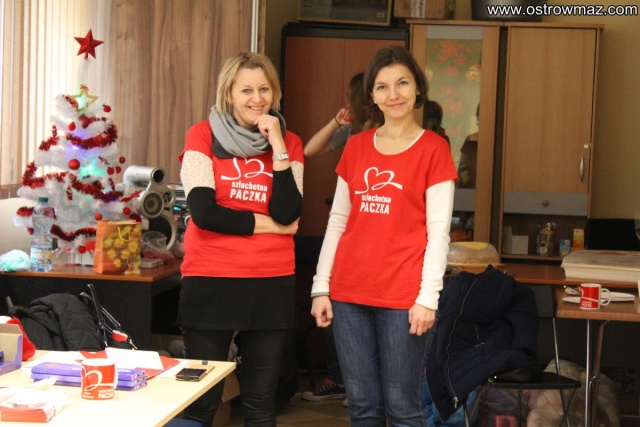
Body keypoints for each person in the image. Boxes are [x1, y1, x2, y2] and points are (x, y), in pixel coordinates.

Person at [310, 45, 457, 426]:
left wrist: (428, 297)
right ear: (372, 95)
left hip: (404, 298)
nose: (394, 94)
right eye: (382, 86)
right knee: (362, 407)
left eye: (402, 83)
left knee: (402, 408)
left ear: (417, 88)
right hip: (348, 294)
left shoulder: (434, 149)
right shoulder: (356, 147)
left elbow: (438, 232)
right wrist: (321, 286)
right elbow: (338, 221)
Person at [177, 51, 304, 427]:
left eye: (264, 89)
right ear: (229, 94)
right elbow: (205, 213)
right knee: (202, 400)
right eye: (246, 90)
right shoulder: (202, 135)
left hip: (271, 281)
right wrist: (271, 227)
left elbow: (288, 212)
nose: (256, 98)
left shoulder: (290, 142)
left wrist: (277, 142)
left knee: (261, 402)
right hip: (210, 277)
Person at [301, 71, 383, 405]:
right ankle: (343, 379)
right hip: (347, 229)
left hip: (375, 232)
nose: (347, 102)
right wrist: (336, 122)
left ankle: (363, 384)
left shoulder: (386, 132)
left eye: (351, 96)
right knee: (336, 302)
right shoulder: (351, 133)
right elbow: (309, 149)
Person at [304, 72, 383, 157]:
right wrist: (336, 122)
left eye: (351, 98)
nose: (348, 104)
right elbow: (309, 151)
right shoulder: (351, 128)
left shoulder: (383, 128)